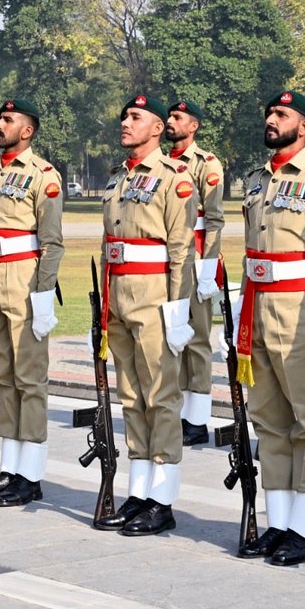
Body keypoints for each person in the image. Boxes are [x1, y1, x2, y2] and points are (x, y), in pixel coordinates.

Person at [235, 90, 305, 565]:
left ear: (304, 127)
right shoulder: (257, 179)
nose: (270, 118)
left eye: (281, 113)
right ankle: (277, 521)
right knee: (269, 421)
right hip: (259, 306)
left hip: (300, 308)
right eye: (268, 112)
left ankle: (303, 528)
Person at [92, 96, 195, 535]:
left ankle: (162, 497)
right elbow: (108, 242)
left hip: (154, 294)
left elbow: (181, 249)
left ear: (156, 128)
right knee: (131, 396)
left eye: (135, 117)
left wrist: (178, 307)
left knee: (161, 395)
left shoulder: (173, 178)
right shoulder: (120, 177)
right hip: (119, 295)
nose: (125, 123)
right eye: (124, 117)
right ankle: (138, 491)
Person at [0, 99, 65, 507]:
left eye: (7, 120)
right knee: (4, 377)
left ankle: (31, 473)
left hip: (24, 281)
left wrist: (43, 296)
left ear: (27, 130)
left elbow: (52, 243)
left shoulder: (43, 176)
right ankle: (9, 467)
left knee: (30, 379)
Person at [164, 100, 224, 446]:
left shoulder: (205, 164)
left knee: (197, 339)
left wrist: (207, 269)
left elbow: (214, 219)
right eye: (169, 117)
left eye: (178, 118)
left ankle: (198, 419)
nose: (171, 122)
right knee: (171, 336)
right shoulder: (161, 162)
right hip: (167, 261)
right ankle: (176, 410)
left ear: (194, 126)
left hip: (195, 258)